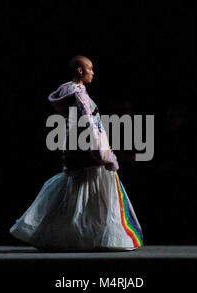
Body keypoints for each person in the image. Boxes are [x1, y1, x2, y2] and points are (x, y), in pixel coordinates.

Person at [10, 55, 143, 251]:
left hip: (77, 151)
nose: (93, 72)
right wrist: (103, 153)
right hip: (88, 152)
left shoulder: (70, 93)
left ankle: (75, 236)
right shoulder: (79, 95)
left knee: (78, 192)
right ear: (80, 71)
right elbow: (89, 125)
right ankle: (98, 237)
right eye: (90, 68)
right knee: (93, 193)